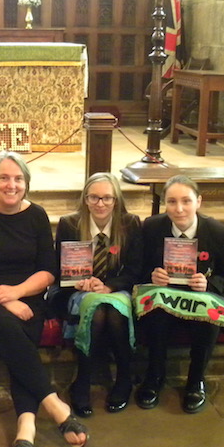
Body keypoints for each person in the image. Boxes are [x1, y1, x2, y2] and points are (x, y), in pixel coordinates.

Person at [0, 150, 88, 447]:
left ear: (26, 183)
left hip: (27, 296)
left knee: (20, 338)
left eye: (17, 178)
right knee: (8, 328)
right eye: (4, 177)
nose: (11, 184)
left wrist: (16, 293)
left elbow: (47, 270)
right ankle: (53, 404)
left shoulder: (37, 216)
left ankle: (26, 429)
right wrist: (3, 299)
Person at [136, 175, 224, 414]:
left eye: (186, 201)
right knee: (155, 315)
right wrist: (151, 276)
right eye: (172, 201)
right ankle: (154, 377)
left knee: (209, 315)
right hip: (165, 296)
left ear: (198, 202)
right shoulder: (151, 227)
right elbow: (136, 267)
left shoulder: (217, 231)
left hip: (199, 297)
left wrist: (209, 284)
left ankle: (196, 380)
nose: (179, 208)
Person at [54, 172, 143, 416]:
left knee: (111, 308)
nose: (100, 204)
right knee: (95, 308)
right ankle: (83, 378)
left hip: (116, 290)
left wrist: (110, 287)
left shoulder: (130, 224)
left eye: (107, 198)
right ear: (85, 199)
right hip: (80, 291)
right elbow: (59, 267)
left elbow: (136, 269)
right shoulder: (69, 224)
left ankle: (123, 376)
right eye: (94, 197)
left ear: (116, 200)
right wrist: (77, 283)